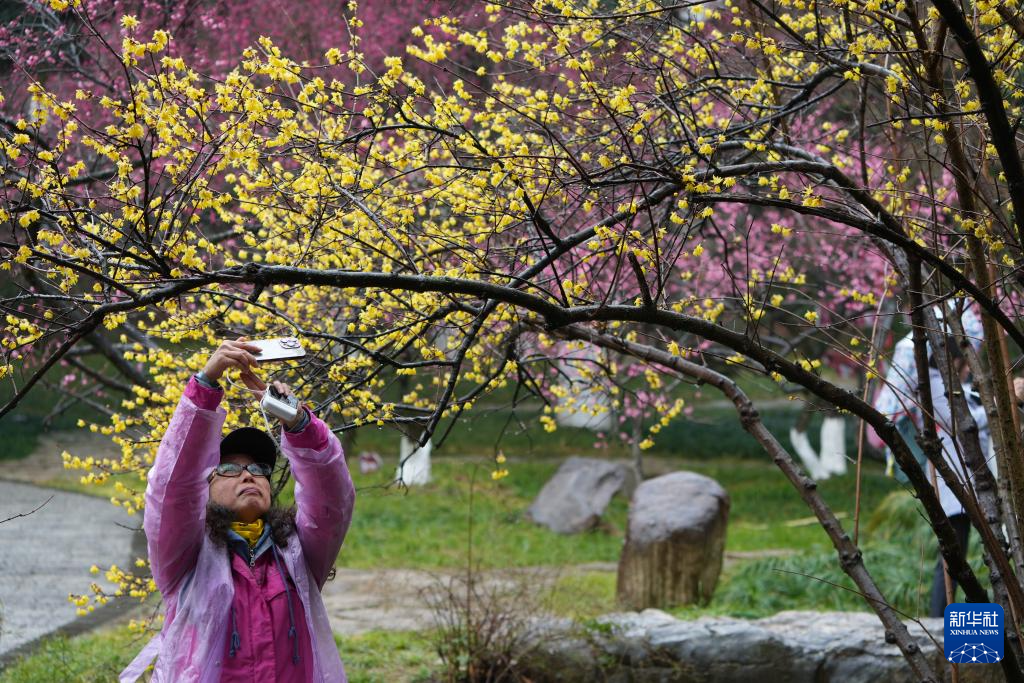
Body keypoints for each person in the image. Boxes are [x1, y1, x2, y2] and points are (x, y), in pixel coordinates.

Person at [119, 338, 355, 682]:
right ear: (206, 489)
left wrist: (298, 421)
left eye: (259, 469)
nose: (249, 474)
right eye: (229, 469)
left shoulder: (298, 556)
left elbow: (332, 498)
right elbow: (172, 488)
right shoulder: (186, 559)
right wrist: (205, 386)